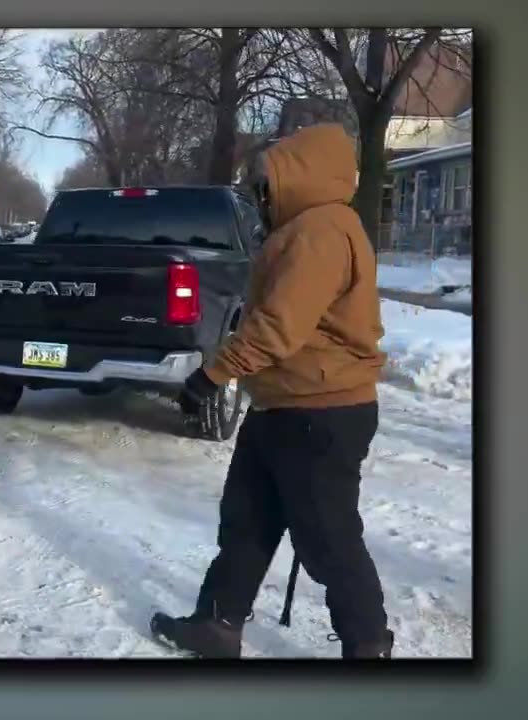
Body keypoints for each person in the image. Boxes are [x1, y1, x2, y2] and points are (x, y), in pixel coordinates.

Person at [151, 124, 394, 659]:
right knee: (246, 523)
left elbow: (278, 328)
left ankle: (369, 648)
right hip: (281, 405)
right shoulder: (302, 228)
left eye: (266, 183)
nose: (260, 195)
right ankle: (217, 627)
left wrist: (211, 375)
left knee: (329, 540)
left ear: (297, 176)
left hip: (320, 411)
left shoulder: (322, 231)